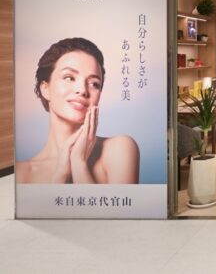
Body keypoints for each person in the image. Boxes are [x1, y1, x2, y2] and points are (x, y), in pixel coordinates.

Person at [16, 38, 140, 184]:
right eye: (69, 78)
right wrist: (61, 176)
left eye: (94, 84)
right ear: (45, 89)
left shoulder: (119, 149)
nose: (82, 90)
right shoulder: (22, 173)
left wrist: (79, 162)